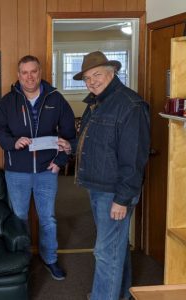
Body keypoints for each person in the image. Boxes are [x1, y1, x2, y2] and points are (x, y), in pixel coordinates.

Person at [58, 51, 150, 300]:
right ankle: (121, 294)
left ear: (112, 72)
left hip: (114, 191)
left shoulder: (130, 105)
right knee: (115, 246)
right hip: (98, 186)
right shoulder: (97, 102)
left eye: (96, 75)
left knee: (105, 252)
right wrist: (70, 146)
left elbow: (133, 159)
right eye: (87, 78)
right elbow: (92, 139)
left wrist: (122, 199)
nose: (91, 82)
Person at [0, 55, 76, 280]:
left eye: (33, 72)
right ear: (18, 75)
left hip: (47, 171)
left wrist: (60, 162)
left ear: (40, 73)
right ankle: (22, 261)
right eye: (24, 72)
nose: (29, 77)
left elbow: (69, 136)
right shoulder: (8, 101)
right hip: (16, 171)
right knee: (19, 217)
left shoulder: (56, 99)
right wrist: (12, 142)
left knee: (47, 218)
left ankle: (50, 259)